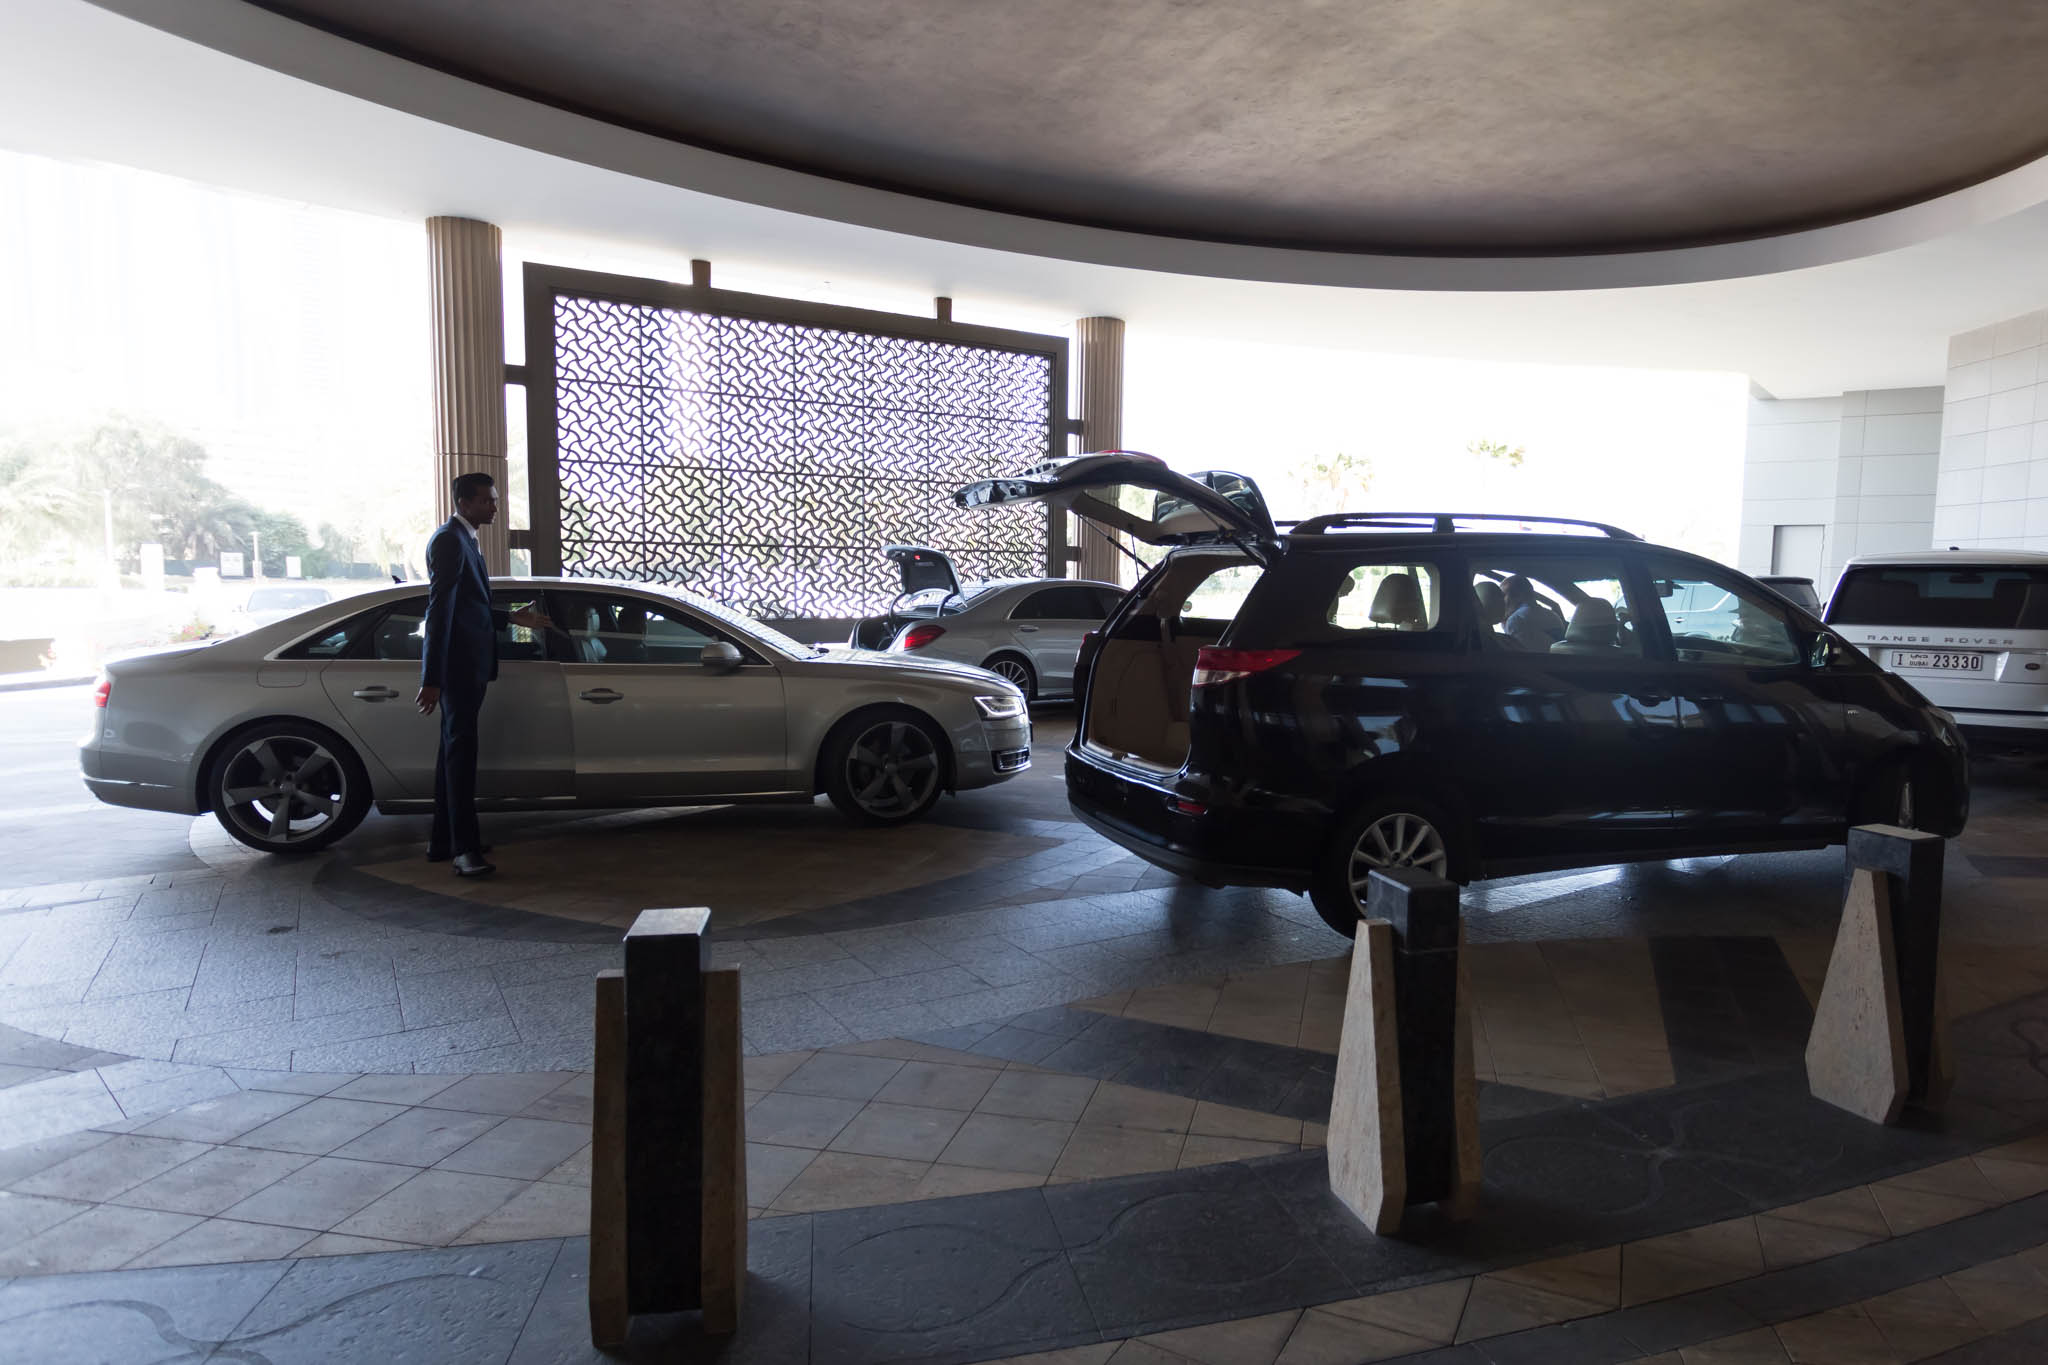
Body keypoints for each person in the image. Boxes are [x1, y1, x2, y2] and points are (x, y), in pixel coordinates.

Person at [415, 472, 550, 877]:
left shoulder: (464, 539)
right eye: (487, 501)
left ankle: (443, 841)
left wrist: (509, 616)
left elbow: (467, 607)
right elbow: (439, 612)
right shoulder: (449, 541)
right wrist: (432, 677)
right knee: (460, 757)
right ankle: (464, 851)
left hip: (467, 665)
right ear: (463, 502)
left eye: (494, 499)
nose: (495, 506)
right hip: (457, 669)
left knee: (451, 754)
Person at [1502, 576, 1566, 653]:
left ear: (1518, 596)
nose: (1501, 601)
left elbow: (1522, 659)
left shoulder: (1516, 620)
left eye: (1503, 595)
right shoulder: (1552, 614)